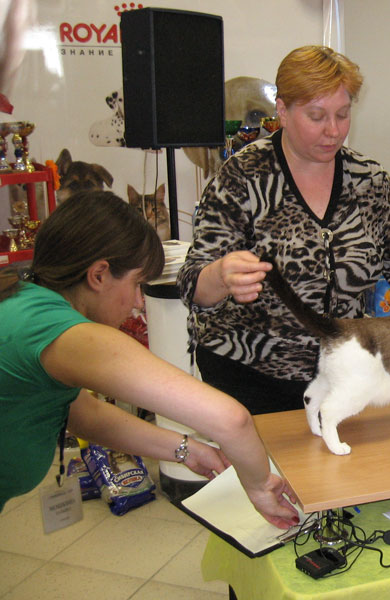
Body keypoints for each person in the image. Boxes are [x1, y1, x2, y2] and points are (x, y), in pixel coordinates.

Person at [177, 45, 390, 415]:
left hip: (343, 373)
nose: (333, 130)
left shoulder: (369, 181)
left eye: (343, 114)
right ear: (282, 110)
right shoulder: (242, 178)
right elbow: (191, 283)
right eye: (316, 116)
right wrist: (220, 275)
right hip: (250, 378)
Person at [0, 191, 298, 528]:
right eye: (137, 284)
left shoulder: (26, 304)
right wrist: (260, 486)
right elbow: (231, 420)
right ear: (99, 275)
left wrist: (186, 449)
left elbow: (83, 414)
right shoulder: (65, 334)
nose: (139, 302)